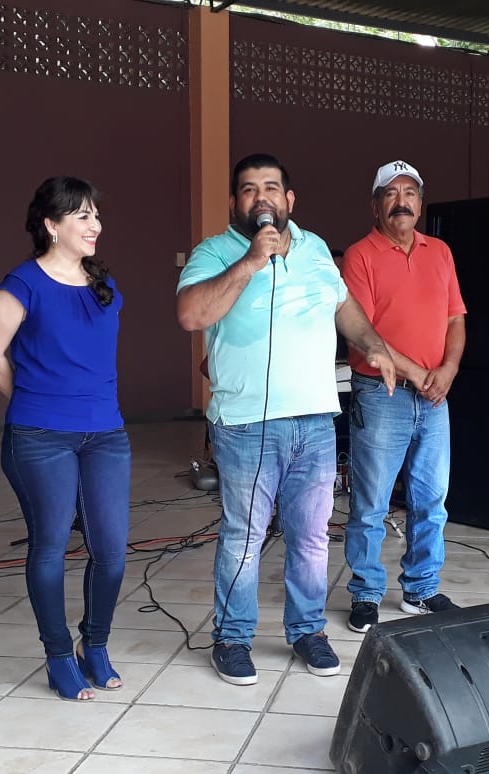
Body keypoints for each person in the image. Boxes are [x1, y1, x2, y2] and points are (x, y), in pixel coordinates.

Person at [176, 152, 395, 686]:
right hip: (248, 423)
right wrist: (251, 261)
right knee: (244, 536)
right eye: (249, 190)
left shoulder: (318, 249)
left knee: (312, 535)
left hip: (317, 421)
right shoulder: (214, 253)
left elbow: (343, 307)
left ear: (290, 200)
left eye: (271, 188)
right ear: (235, 202)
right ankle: (231, 638)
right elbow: (191, 315)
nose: (261, 198)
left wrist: (373, 344)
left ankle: (307, 630)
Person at [0, 176, 130, 703]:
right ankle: (59, 654)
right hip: (41, 436)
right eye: (82, 216)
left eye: (96, 215)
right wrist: (32, 400)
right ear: (51, 225)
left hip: (106, 433)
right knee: (51, 546)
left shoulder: (101, 282)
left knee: (111, 550)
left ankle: (96, 644)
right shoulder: (21, 284)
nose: (95, 225)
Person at [340, 159, 467, 634]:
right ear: (376, 206)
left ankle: (421, 588)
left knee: (432, 499)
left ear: (420, 203)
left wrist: (449, 369)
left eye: (410, 192)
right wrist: (420, 373)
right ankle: (367, 593)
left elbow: (456, 318)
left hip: (435, 395)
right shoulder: (360, 255)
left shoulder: (440, 252)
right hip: (382, 393)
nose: (402, 201)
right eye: (390, 194)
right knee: (371, 503)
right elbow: (362, 334)